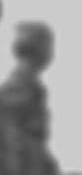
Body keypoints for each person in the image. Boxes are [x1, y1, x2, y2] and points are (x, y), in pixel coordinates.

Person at [0, 21, 54, 149]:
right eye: (49, 47)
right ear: (41, 50)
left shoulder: (31, 85)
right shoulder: (20, 87)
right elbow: (17, 140)